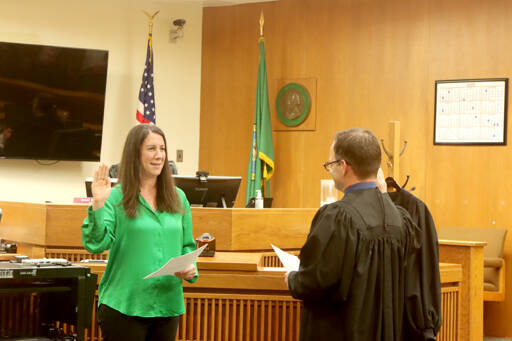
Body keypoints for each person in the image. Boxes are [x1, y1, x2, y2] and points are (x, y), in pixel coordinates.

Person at [285, 128, 420, 341]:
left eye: (330, 164)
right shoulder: (400, 219)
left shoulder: (339, 217)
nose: (329, 170)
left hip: (344, 331)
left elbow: (317, 280)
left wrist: (293, 277)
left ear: (343, 166)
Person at [81, 124, 197, 341]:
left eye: (162, 149)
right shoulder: (115, 197)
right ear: (135, 153)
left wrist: (190, 268)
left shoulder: (179, 197)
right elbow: (95, 244)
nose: (159, 155)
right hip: (125, 305)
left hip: (167, 305)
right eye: (151, 148)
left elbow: (187, 247)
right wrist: (97, 203)